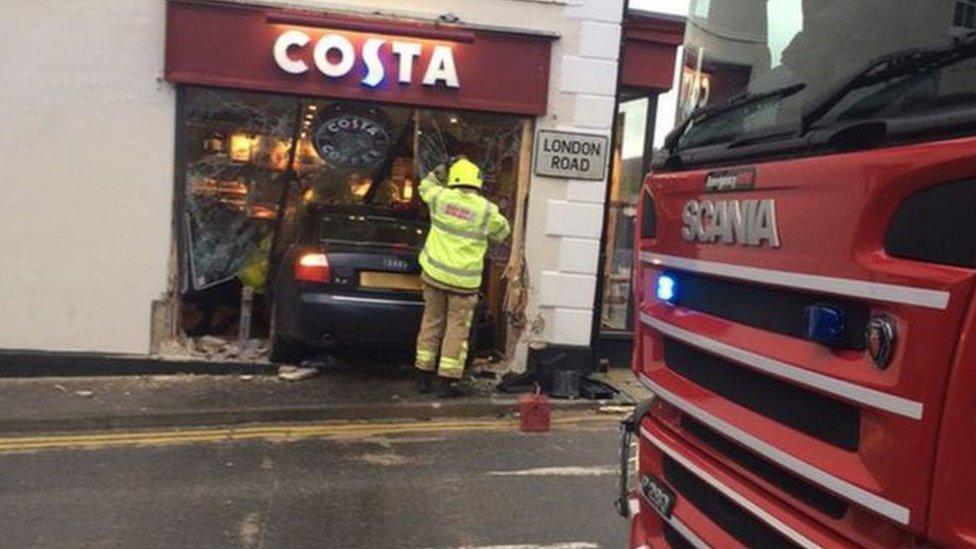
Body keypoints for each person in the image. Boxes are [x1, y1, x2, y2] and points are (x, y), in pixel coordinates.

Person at [414, 157, 510, 397]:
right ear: (477, 181)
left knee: (431, 323)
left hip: (434, 276)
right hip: (464, 284)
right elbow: (502, 232)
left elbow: (425, 186)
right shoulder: (486, 210)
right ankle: (446, 381)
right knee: (457, 330)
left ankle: (423, 376)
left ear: (453, 178)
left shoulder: (440, 198)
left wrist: (439, 171)